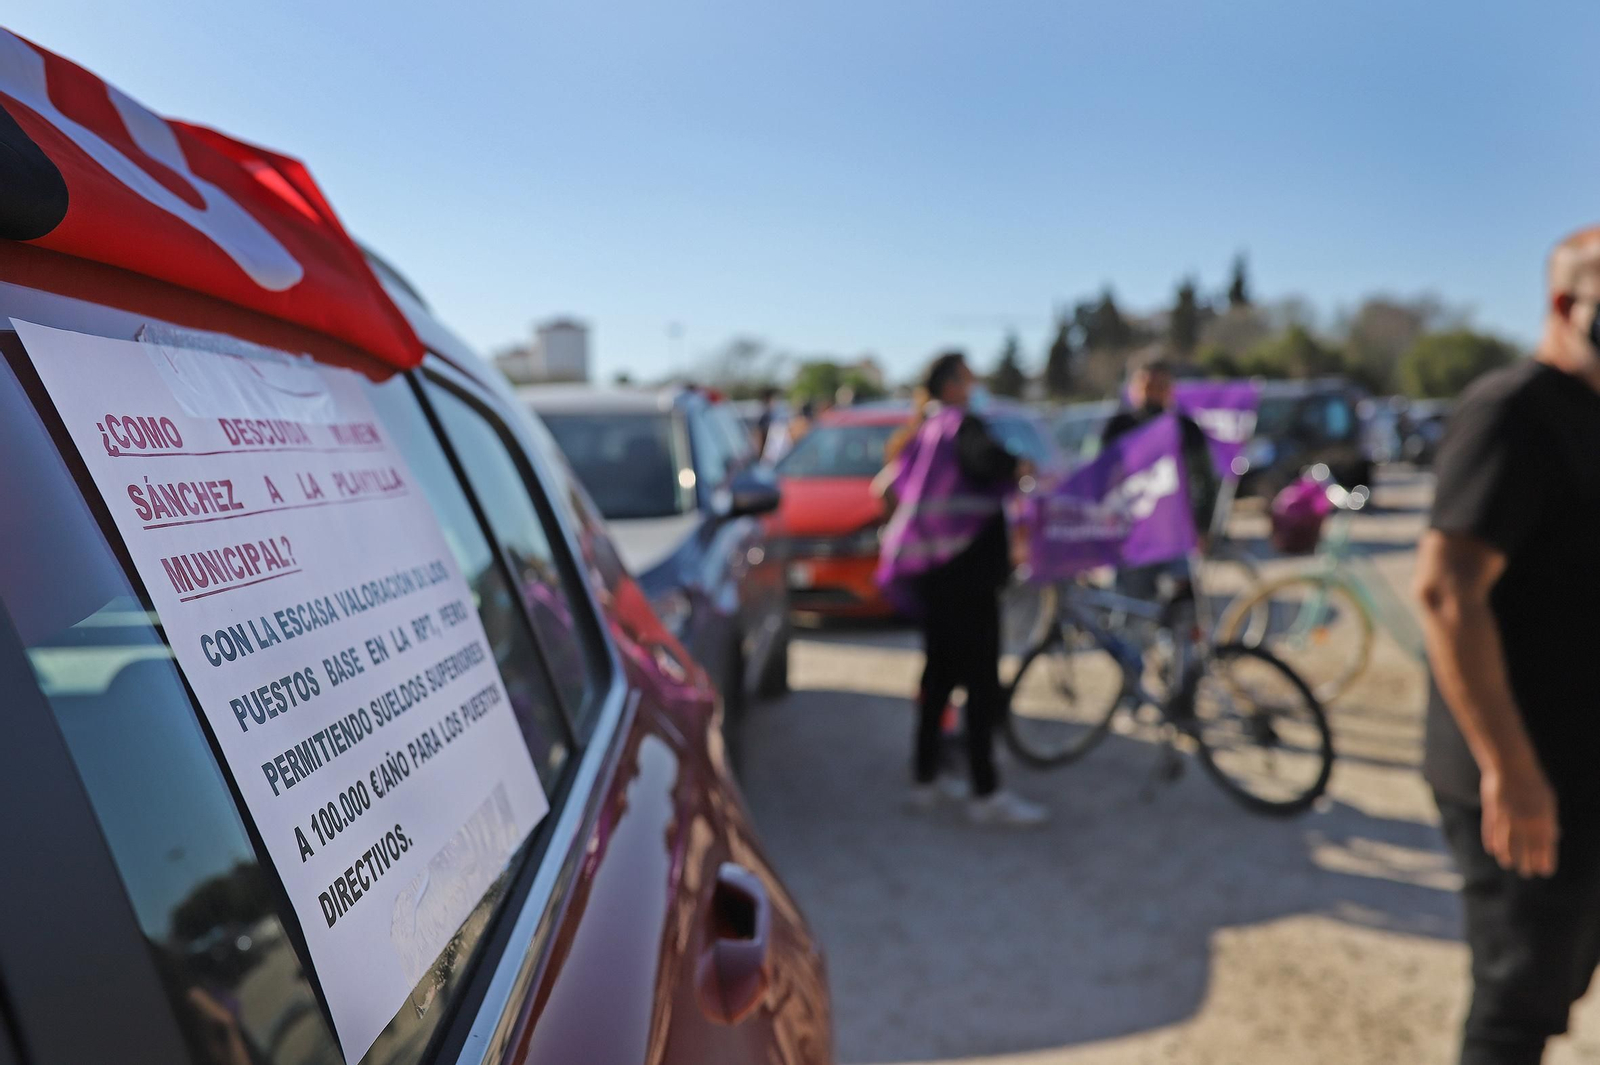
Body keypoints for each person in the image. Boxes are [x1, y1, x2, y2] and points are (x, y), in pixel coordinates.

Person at [1415, 225, 1600, 1065]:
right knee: (1517, 1003)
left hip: (1582, 767)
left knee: (1562, 976)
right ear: (1567, 304)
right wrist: (1511, 770)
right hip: (1528, 775)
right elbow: (1447, 593)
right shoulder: (1513, 412)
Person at [878, 351, 1046, 827]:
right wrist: (1018, 465)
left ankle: (925, 778)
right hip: (968, 578)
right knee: (980, 687)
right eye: (969, 379)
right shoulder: (959, 426)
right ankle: (985, 793)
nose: (975, 387)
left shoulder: (923, 430)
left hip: (934, 573)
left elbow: (885, 489)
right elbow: (989, 462)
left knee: (937, 680)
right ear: (951, 385)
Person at [1100, 358, 1220, 603]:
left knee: (1182, 606)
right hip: (1132, 535)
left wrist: (1203, 526)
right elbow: (1101, 477)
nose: (1151, 394)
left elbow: (1204, 479)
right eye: (1146, 386)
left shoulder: (1185, 428)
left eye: (1159, 387)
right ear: (1133, 389)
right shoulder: (1118, 427)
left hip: (1175, 534)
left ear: (1169, 390)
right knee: (1131, 607)